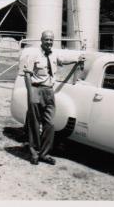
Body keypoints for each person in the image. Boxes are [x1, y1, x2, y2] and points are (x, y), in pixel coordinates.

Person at [23, 30, 85, 165]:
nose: (49, 42)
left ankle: (44, 154)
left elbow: (63, 61)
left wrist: (77, 59)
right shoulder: (33, 54)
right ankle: (34, 153)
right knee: (34, 124)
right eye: (46, 39)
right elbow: (27, 74)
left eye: (51, 40)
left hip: (49, 91)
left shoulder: (54, 54)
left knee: (50, 124)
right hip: (36, 90)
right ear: (41, 40)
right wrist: (30, 93)